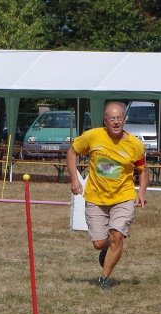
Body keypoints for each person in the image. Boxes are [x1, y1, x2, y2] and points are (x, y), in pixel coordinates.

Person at [67, 102, 148, 290]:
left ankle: (104, 278)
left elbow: (143, 171)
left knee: (116, 236)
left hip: (124, 196)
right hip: (96, 197)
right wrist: (74, 179)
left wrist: (141, 192)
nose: (116, 122)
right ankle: (107, 249)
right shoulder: (92, 136)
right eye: (112, 118)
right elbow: (72, 153)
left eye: (119, 118)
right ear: (105, 120)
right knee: (99, 243)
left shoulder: (135, 145)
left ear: (124, 120)